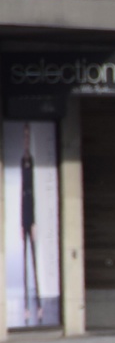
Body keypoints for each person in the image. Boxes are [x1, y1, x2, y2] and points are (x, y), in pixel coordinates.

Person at [19, 123, 40, 323]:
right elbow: (23, 196)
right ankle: (27, 306)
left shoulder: (30, 164)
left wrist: (32, 222)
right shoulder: (23, 163)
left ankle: (38, 305)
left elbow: (30, 195)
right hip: (25, 218)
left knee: (32, 260)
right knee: (26, 262)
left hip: (30, 218)